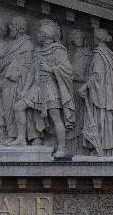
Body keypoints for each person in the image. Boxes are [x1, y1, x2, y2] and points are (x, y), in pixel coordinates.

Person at [11, 19, 76, 154]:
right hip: (36, 87)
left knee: (55, 116)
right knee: (18, 106)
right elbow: (32, 72)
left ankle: (62, 148)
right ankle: (21, 139)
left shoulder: (58, 50)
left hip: (50, 87)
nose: (37, 35)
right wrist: (24, 90)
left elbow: (68, 70)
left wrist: (50, 68)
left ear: (46, 35)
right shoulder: (38, 50)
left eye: (40, 33)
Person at [80, 28, 113, 156]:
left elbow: (97, 75)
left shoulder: (99, 54)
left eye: (94, 37)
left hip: (102, 92)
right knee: (109, 119)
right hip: (110, 91)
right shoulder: (109, 53)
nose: (93, 39)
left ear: (98, 38)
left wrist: (85, 86)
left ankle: (107, 148)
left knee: (103, 118)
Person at [0, 16, 35, 144]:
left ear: (19, 28)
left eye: (12, 25)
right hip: (6, 80)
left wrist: (17, 75)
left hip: (18, 82)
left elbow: (29, 65)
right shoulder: (11, 43)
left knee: (16, 108)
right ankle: (12, 134)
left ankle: (21, 137)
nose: (10, 27)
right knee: (7, 109)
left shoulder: (28, 44)